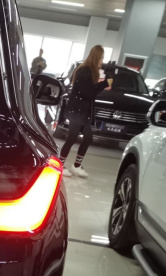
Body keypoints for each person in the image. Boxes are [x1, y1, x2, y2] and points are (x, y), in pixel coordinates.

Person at [59, 45, 112, 178]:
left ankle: (76, 166)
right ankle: (60, 165)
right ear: (96, 57)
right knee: (72, 138)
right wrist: (105, 83)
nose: (102, 61)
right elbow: (88, 93)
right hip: (77, 111)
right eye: (101, 58)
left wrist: (103, 82)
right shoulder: (85, 70)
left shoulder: (90, 71)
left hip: (82, 112)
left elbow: (90, 92)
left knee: (88, 138)